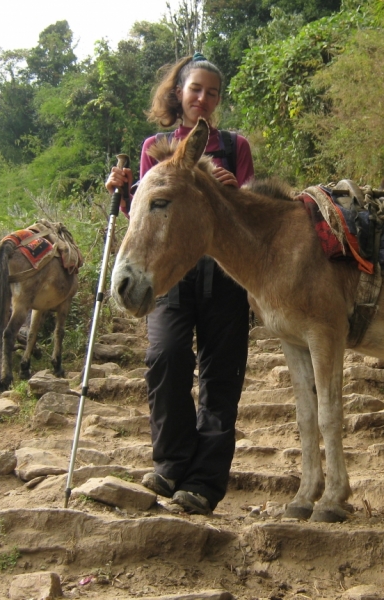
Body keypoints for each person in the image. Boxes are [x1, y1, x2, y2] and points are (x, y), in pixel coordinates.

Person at [105, 53, 254, 515]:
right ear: (179, 93)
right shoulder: (155, 147)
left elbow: (253, 216)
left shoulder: (235, 146)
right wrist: (122, 191)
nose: (203, 99)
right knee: (164, 355)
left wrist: (236, 192)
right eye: (196, 90)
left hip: (226, 274)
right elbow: (144, 216)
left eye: (212, 92)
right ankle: (171, 464)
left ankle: (205, 483)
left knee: (220, 374)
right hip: (171, 271)